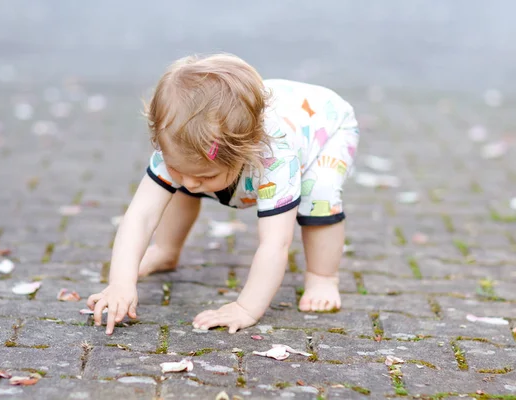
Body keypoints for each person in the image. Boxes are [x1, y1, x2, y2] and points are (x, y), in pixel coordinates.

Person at [86, 53, 360, 335]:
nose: (191, 183)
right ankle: (167, 250)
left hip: (325, 126)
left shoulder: (276, 159)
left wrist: (246, 308)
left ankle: (323, 276)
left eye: (206, 176)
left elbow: (275, 243)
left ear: (244, 152)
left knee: (319, 195)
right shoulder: (178, 145)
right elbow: (140, 216)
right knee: (177, 187)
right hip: (279, 111)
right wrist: (120, 282)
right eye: (177, 168)